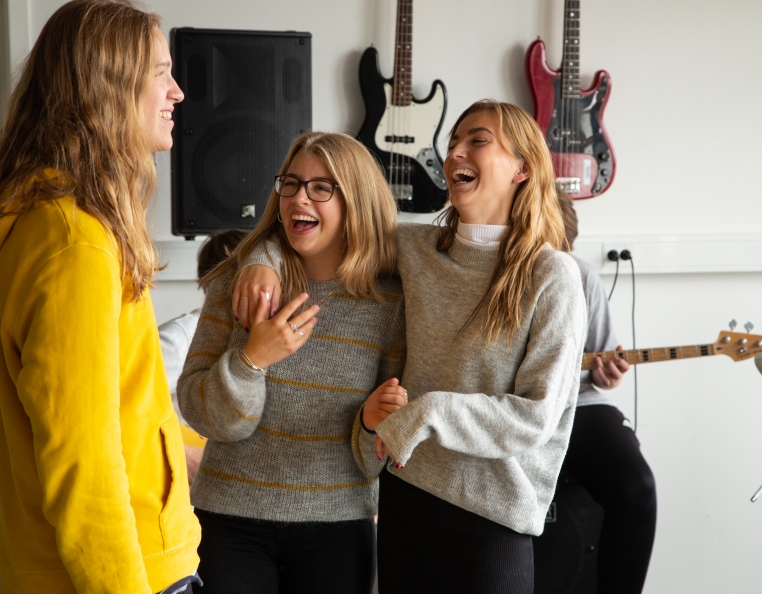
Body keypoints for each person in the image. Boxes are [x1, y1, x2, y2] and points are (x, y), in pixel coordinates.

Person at [234, 99, 587, 594]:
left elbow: (536, 417)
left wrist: (429, 413)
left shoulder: (552, 275)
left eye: (477, 141)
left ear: (523, 168)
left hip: (493, 518)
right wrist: (263, 260)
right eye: (453, 142)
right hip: (405, 505)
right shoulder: (415, 249)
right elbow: (313, 223)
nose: (454, 152)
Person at [0, 1, 202, 591]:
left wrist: (184, 453)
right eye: (160, 71)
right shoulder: (72, 243)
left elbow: (120, 407)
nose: (177, 91)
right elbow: (81, 461)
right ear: (108, 87)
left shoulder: (77, 229)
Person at [177, 131, 407, 594]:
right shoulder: (237, 285)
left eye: (322, 187)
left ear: (357, 201)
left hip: (338, 529)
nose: (299, 197)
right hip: (228, 522)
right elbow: (206, 416)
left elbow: (374, 459)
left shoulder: (390, 306)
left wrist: (370, 425)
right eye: (291, 183)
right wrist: (251, 360)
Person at [554, 191, 657, 594]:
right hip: (511, 406)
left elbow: (601, 370)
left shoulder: (581, 276)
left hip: (578, 402)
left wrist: (608, 375)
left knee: (637, 488)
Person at [158, 228, 248, 484]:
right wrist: (185, 455)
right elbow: (129, 409)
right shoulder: (178, 338)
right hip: (189, 493)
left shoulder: (262, 339)